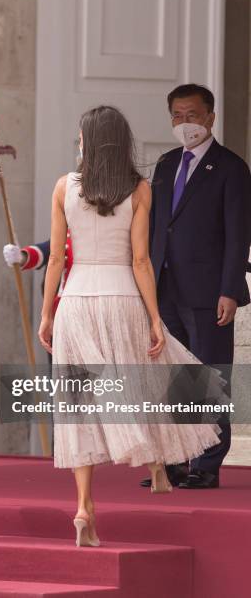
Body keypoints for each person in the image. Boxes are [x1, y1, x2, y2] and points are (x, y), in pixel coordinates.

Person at [38, 105, 224, 548]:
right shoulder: (139, 189)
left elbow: (59, 259)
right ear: (122, 142)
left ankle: (85, 507)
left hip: (78, 301)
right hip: (122, 297)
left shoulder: (64, 186)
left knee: (81, 403)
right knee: (145, 383)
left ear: (87, 140)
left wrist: (47, 313)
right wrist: (156, 318)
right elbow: (141, 260)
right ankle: (157, 464)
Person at [146, 84, 251, 489]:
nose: (184, 122)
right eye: (176, 114)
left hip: (209, 292)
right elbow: (158, 225)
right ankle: (173, 460)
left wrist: (230, 288)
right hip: (165, 286)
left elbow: (238, 235)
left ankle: (206, 463)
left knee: (209, 376)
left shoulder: (231, 168)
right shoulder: (166, 163)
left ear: (210, 117)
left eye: (191, 114)